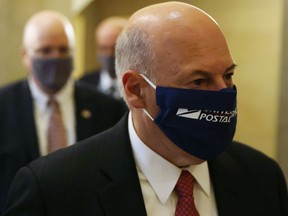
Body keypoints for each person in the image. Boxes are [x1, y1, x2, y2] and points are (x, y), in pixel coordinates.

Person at [2, 2, 288, 215]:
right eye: (199, 81)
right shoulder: (53, 191)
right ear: (136, 90)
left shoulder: (262, 178)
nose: (223, 94)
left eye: (227, 76)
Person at [0, 10, 126, 213]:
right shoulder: (4, 106)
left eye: (63, 50)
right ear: (25, 55)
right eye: (45, 50)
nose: (55, 57)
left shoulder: (108, 108)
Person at [78, 16, 127, 99]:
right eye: (103, 48)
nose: (109, 54)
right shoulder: (84, 84)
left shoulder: (141, 86)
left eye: (115, 48)